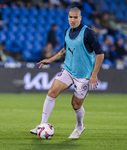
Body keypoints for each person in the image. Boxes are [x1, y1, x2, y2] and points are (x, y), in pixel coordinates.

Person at [30, 7, 104, 139]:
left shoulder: (88, 33)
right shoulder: (67, 31)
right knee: (52, 92)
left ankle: (80, 126)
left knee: (76, 105)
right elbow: (64, 50)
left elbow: (100, 54)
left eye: (75, 17)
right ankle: (42, 124)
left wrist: (94, 74)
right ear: (68, 18)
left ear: (80, 18)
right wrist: (50, 60)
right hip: (68, 70)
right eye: (70, 17)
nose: (73, 20)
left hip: (83, 75)